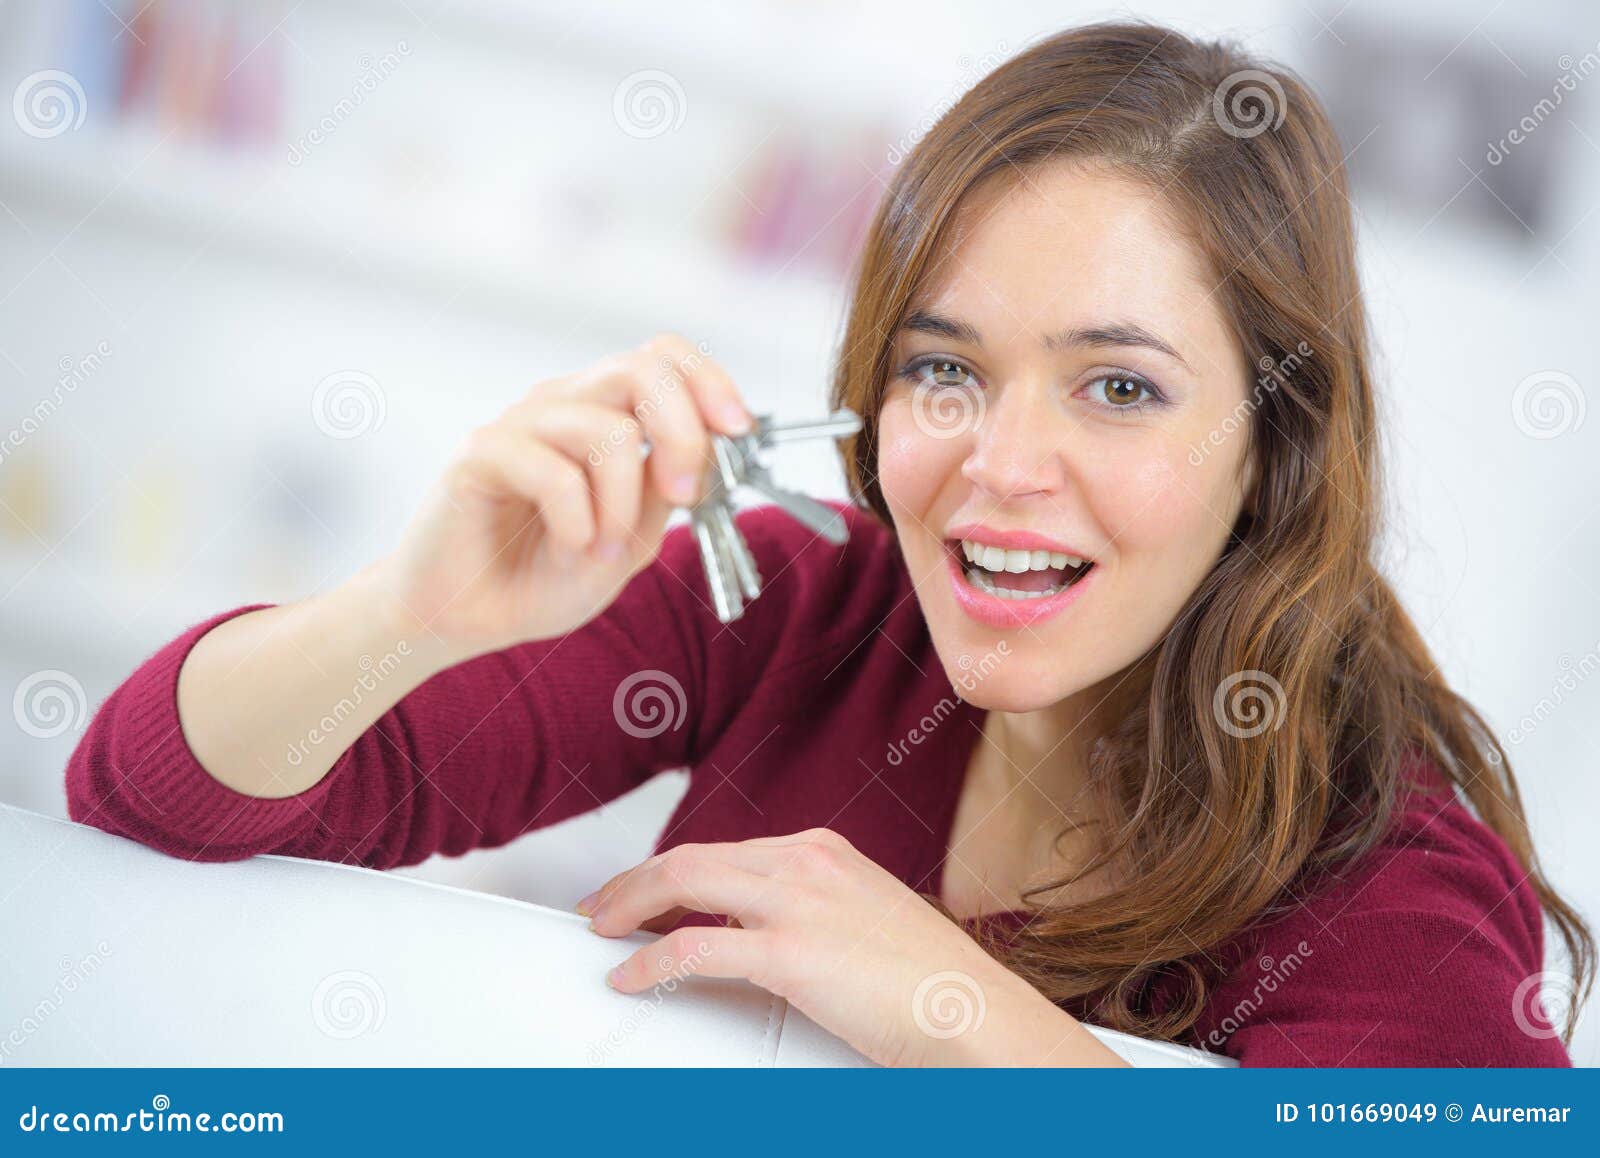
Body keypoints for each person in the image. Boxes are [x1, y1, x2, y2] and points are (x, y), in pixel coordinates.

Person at [66, 20, 1590, 1067]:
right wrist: (408, 608)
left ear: (1275, 445)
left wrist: (961, 1015)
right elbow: (143, 789)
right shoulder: (800, 602)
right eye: (944, 368)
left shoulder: (1382, 875)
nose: (999, 469)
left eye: (1119, 386)